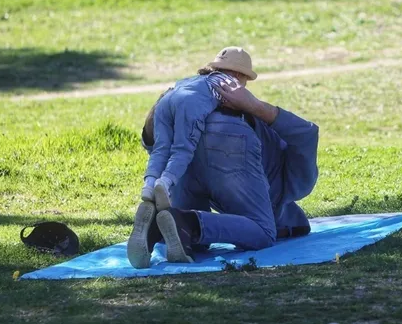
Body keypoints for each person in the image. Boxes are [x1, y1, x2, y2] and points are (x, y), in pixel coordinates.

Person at [128, 58, 319, 268]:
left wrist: (168, 100)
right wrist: (255, 106)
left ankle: (162, 223)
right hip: (230, 138)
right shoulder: (292, 183)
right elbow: (307, 132)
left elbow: (154, 145)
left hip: (194, 150)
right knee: (264, 232)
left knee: (189, 237)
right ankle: (187, 223)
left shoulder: (197, 91)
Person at [138, 47, 251, 220]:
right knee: (182, 150)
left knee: (162, 148)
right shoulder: (230, 83)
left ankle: (149, 185)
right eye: (246, 79)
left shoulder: (199, 78)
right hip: (189, 105)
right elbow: (239, 106)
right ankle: (165, 183)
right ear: (239, 74)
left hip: (166, 99)